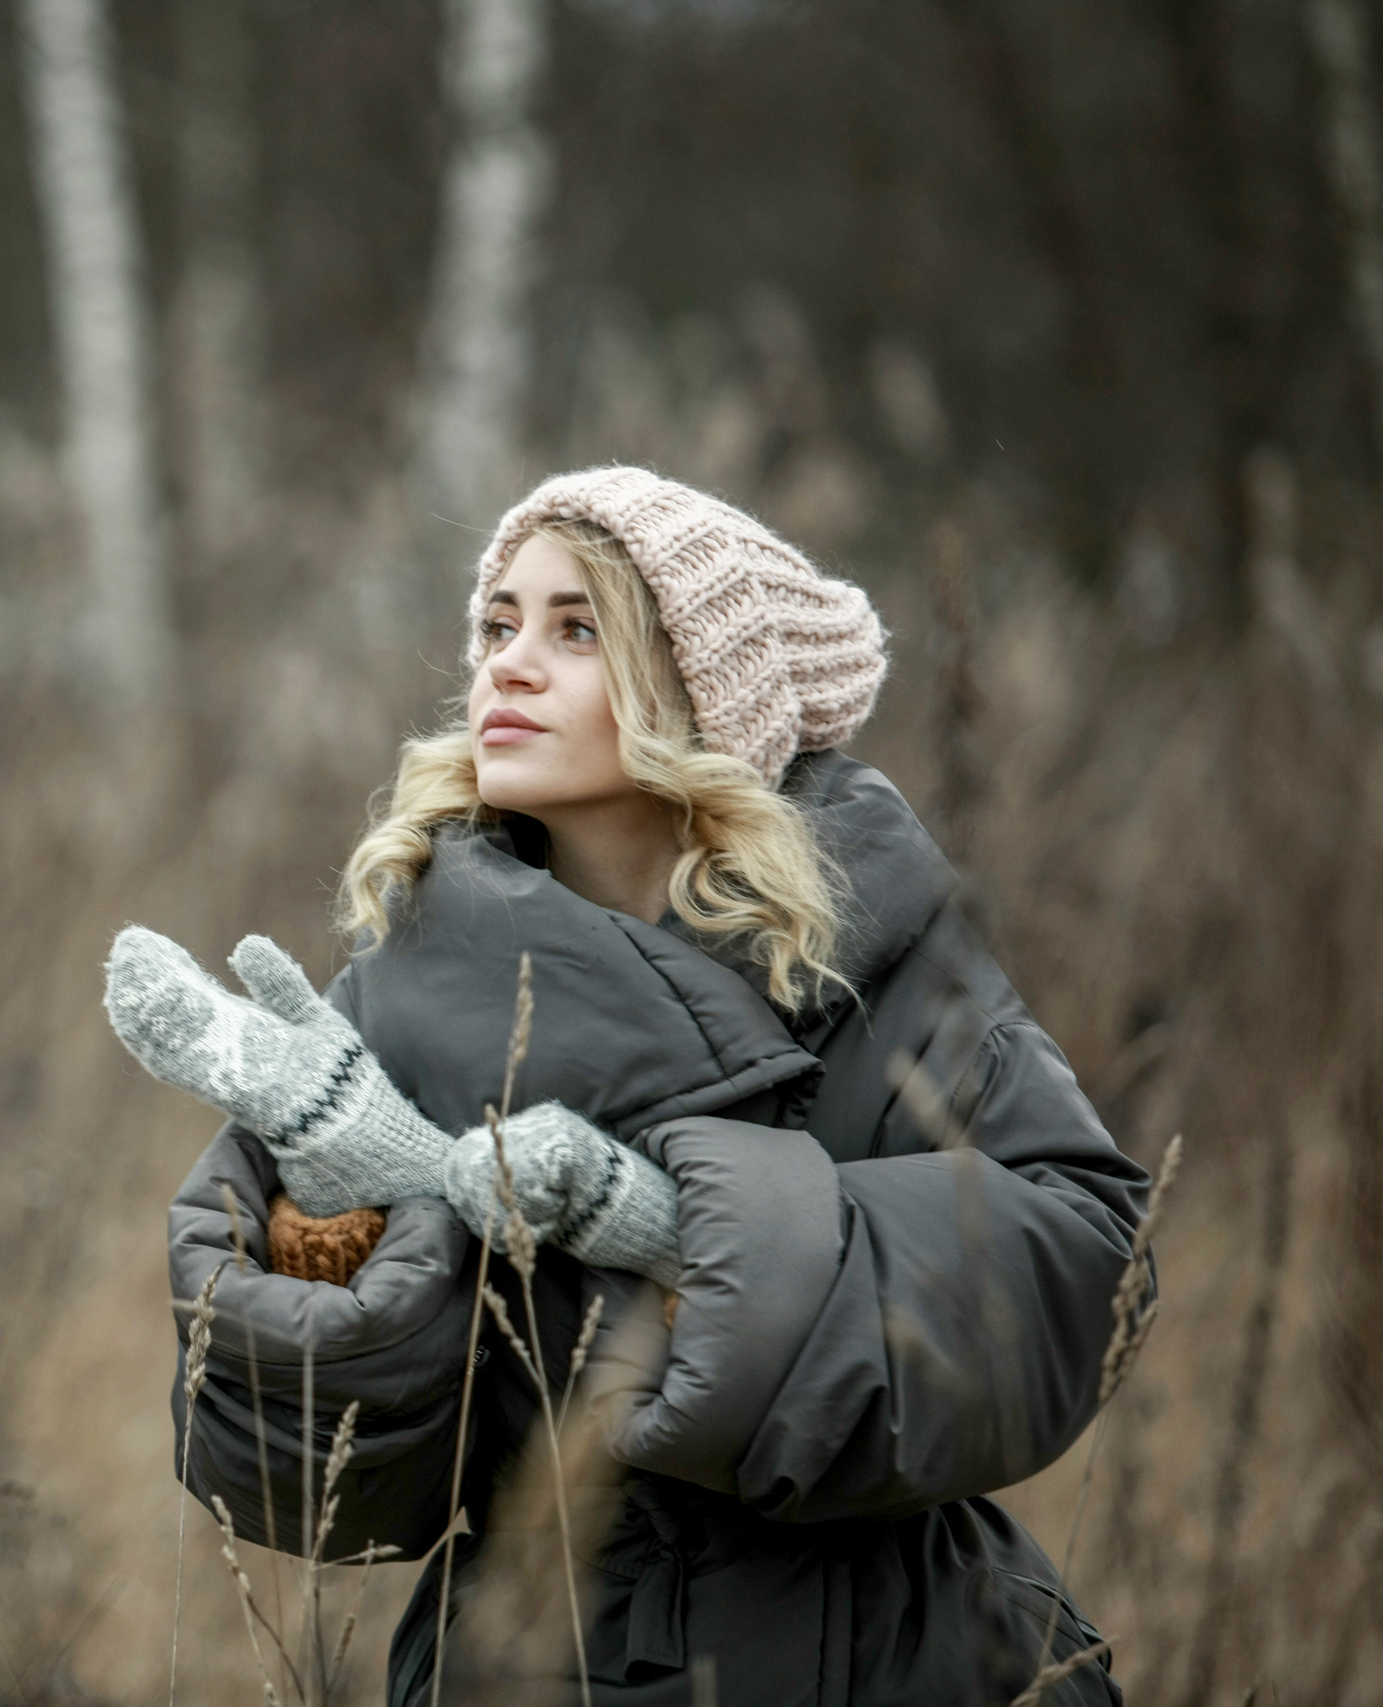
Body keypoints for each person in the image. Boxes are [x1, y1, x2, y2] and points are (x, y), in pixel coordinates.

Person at [102, 466, 1150, 1706]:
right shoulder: (406, 981)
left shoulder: (876, 947)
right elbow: (308, 1487)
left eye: (576, 629)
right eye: (497, 625)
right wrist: (341, 1218)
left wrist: (657, 1223)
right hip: (534, 1654)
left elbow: (1079, 1271)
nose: (508, 665)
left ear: (698, 690)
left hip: (903, 1650)